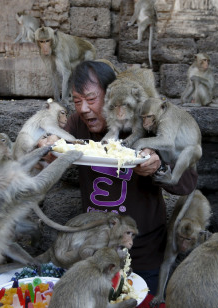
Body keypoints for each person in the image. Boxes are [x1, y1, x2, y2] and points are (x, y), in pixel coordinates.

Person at [40, 60, 198, 295]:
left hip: (144, 254)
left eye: (92, 100)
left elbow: (188, 182)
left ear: (111, 95)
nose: (83, 109)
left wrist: (159, 166)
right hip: (97, 253)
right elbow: (42, 151)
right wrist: (46, 149)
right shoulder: (76, 125)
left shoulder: (147, 122)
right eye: (77, 100)